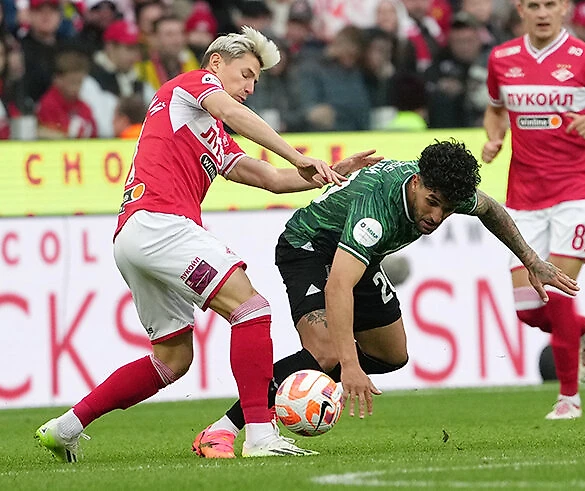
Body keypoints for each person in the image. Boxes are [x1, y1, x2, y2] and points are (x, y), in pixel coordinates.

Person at [34, 26, 379, 463]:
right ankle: (259, 434)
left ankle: (64, 428)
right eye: (246, 74)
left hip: (134, 236)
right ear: (216, 63)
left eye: (256, 81)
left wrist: (330, 171)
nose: (250, 88)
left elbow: (270, 179)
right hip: (161, 223)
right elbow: (235, 115)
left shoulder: (211, 130)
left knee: (171, 361)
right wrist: (296, 153)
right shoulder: (191, 85)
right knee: (251, 308)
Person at [191, 139, 580, 459]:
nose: (437, 216)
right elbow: (338, 287)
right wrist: (348, 365)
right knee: (328, 352)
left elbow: (490, 208)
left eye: (446, 209)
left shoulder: (445, 188)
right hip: (308, 246)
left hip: (360, 254)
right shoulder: (377, 210)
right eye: (432, 202)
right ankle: (223, 429)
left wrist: (531, 260)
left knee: (392, 355)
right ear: (416, 183)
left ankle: (295, 388)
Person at [482, 0, 585, 420]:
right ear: (521, 9)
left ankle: (569, 399)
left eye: (550, 3)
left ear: (564, 8)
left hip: (576, 191)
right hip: (523, 197)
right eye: (534, 5)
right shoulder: (502, 58)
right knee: (529, 310)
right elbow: (495, 110)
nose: (542, 12)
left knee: (558, 293)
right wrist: (494, 138)